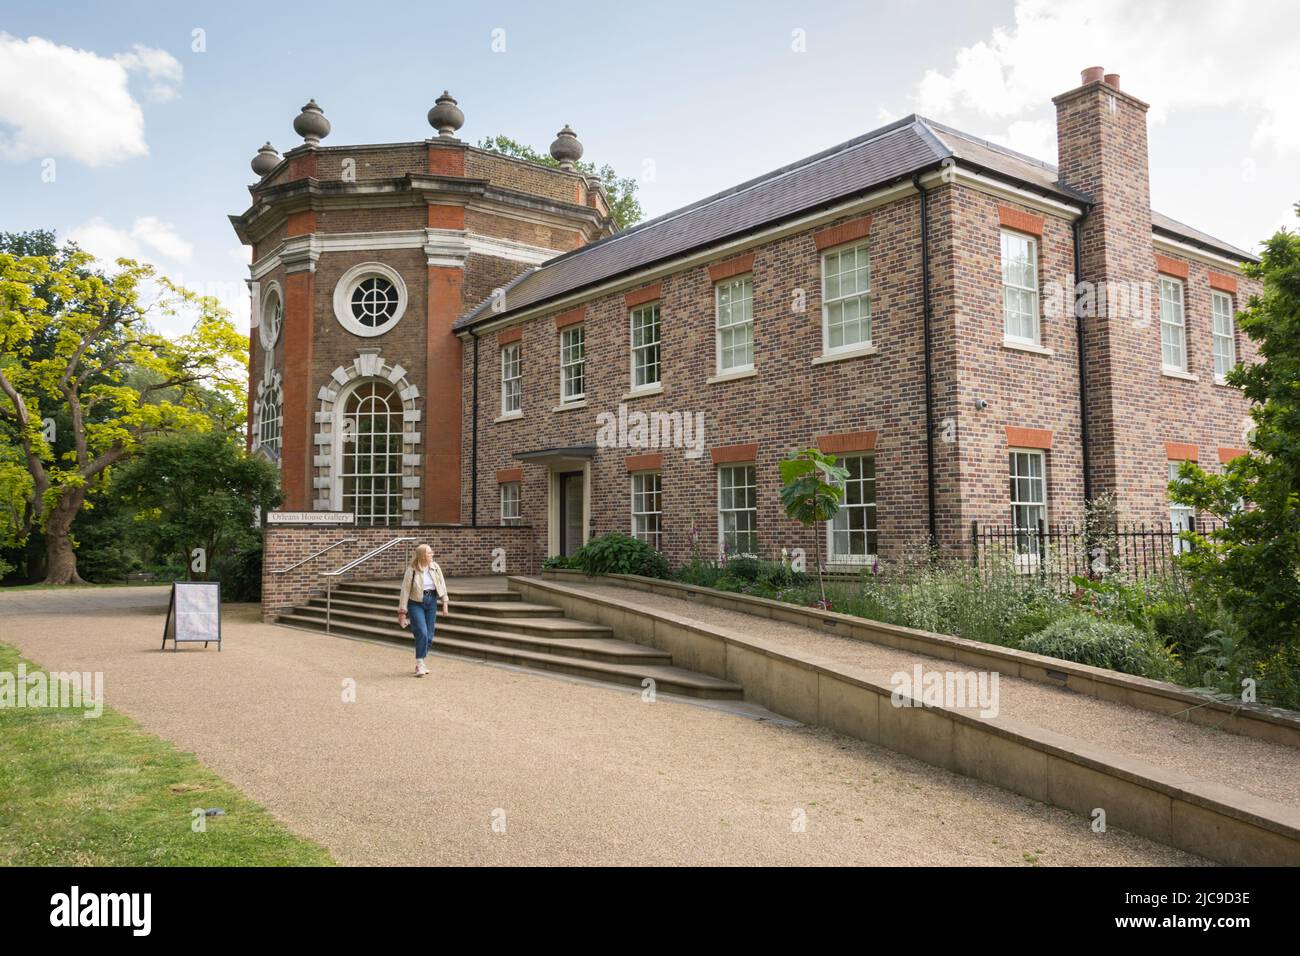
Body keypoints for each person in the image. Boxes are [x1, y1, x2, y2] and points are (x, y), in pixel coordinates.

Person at [396, 544, 449, 677]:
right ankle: (420, 663)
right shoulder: (412, 570)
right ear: (422, 555)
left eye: (431, 552)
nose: (432, 555)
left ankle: (421, 661)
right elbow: (405, 590)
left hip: (432, 602)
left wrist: (445, 603)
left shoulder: (435, 567)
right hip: (415, 603)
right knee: (422, 633)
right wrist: (402, 612)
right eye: (430, 553)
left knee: (429, 636)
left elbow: (442, 585)